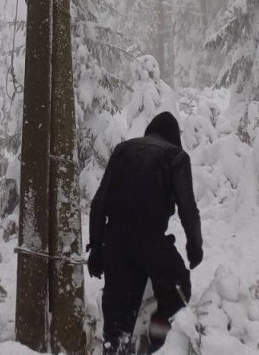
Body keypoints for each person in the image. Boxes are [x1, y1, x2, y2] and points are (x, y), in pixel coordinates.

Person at [87, 111, 204, 355]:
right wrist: (195, 244)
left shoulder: (122, 150)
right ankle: (158, 343)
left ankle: (115, 348)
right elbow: (188, 207)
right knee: (178, 287)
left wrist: (96, 248)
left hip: (115, 240)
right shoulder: (175, 155)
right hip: (149, 240)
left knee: (117, 324)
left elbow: (99, 202)